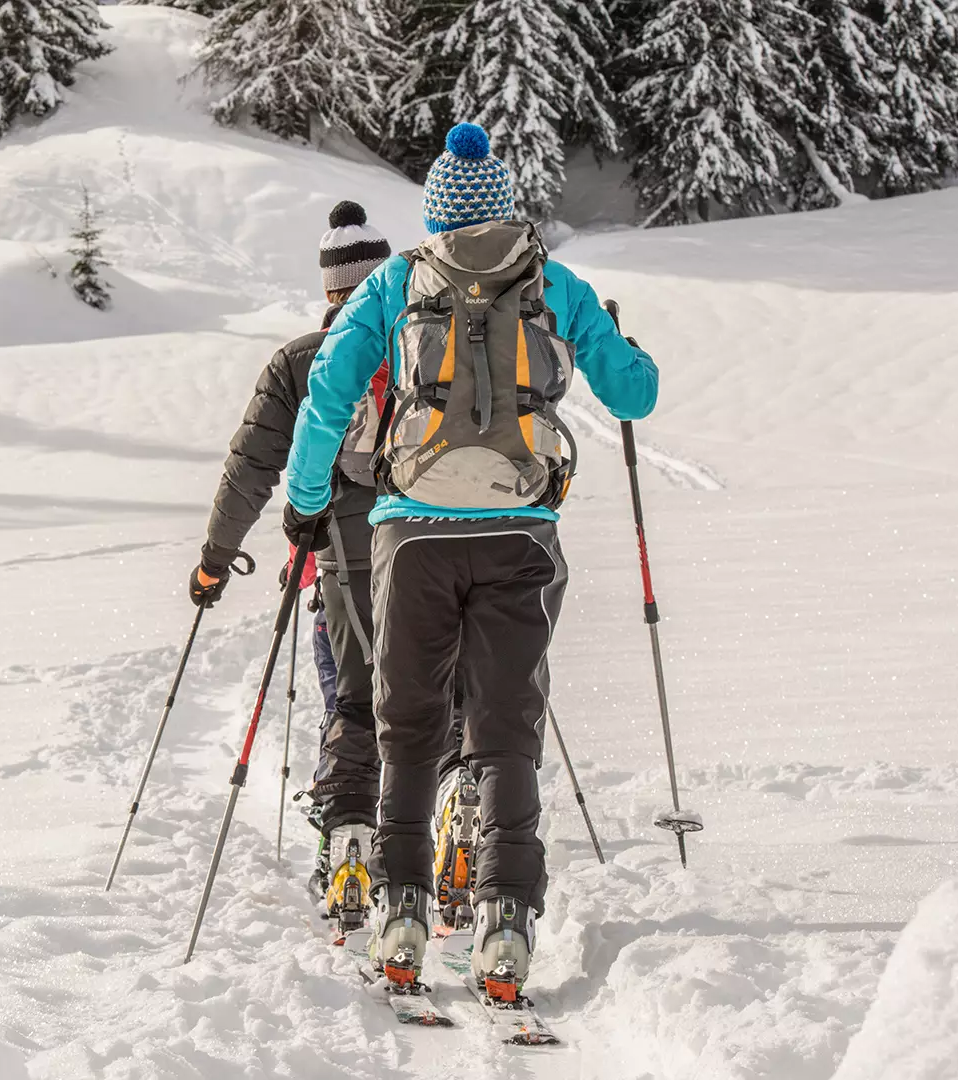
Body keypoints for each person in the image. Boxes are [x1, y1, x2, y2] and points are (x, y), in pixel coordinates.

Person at [280, 123, 659, 997]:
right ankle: (506, 918)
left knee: (408, 723)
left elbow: (329, 393)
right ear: (503, 210)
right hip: (521, 530)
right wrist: (613, 338)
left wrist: (306, 504)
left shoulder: (395, 281)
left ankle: (404, 908)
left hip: (410, 531)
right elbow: (634, 392)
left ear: (438, 214)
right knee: (506, 726)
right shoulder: (552, 282)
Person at [189, 200, 394, 929]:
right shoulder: (430, 349)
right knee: (440, 689)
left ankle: (346, 836)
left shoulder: (300, 360)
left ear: (331, 288)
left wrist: (215, 560)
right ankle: (442, 824)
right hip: (435, 549)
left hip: (336, 561)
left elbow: (250, 468)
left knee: (352, 699)